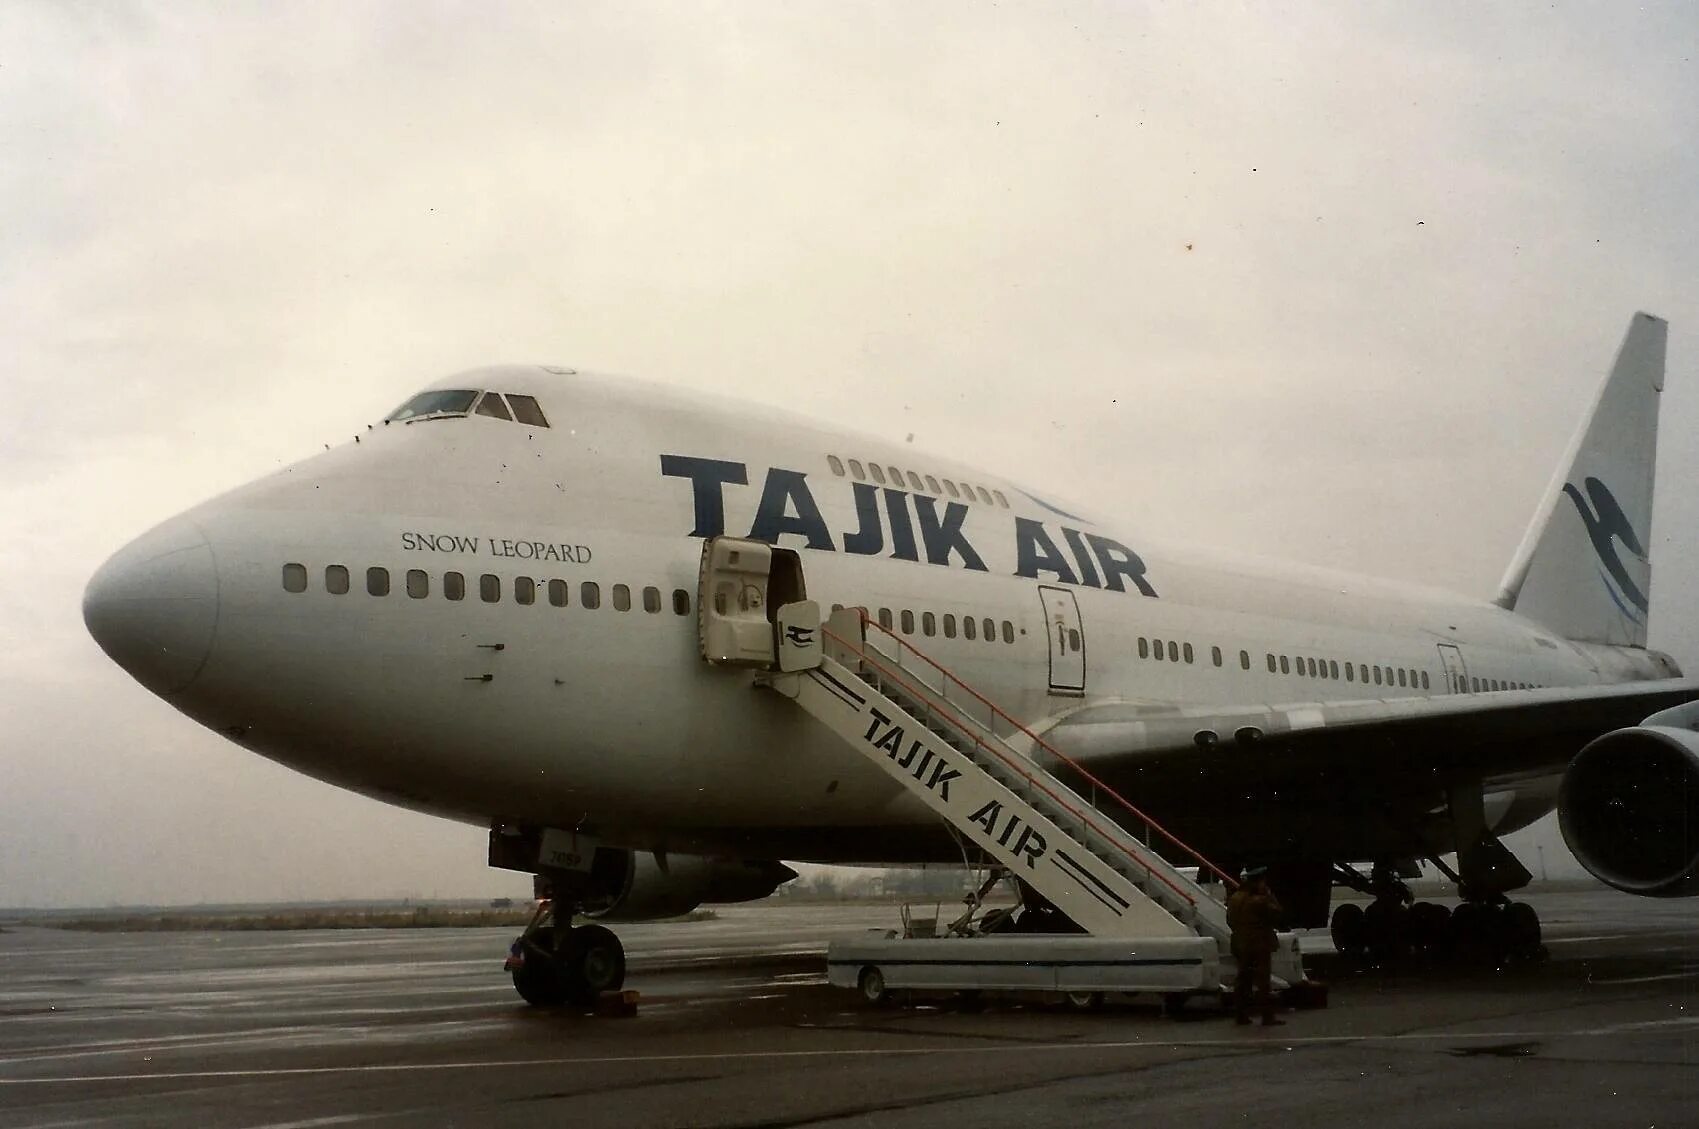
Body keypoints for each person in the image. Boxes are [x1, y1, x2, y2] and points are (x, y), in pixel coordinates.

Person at [1226, 866, 1285, 1026]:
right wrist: (1269, 895)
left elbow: (1230, 920)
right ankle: (1267, 1015)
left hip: (1240, 943)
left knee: (1243, 980)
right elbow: (1277, 913)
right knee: (1263, 981)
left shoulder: (1235, 898)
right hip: (1259, 943)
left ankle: (1240, 1015)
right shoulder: (1260, 900)